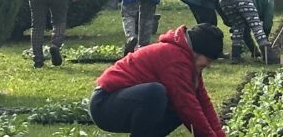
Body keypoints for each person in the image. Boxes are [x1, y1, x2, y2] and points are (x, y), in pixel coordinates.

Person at [90, 23, 226, 137]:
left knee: (177, 108)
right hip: (104, 104)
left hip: (127, 102)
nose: (208, 65)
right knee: (156, 93)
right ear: (197, 50)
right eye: (208, 60)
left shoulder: (189, 60)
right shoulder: (174, 58)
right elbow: (187, 104)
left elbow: (202, 101)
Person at [217, 0, 279, 64]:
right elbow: (267, 23)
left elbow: (245, 32)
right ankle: (269, 57)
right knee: (256, 26)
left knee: (237, 27)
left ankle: (235, 57)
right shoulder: (269, 0)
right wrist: (265, 37)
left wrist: (254, 51)